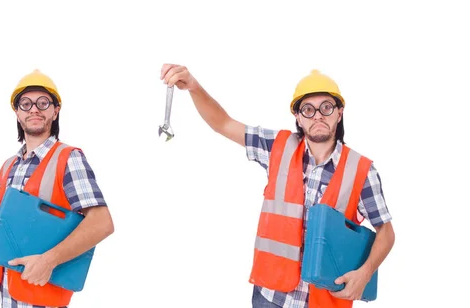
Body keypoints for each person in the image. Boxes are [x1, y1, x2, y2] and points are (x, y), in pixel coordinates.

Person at [159, 64, 395, 308]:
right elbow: (223, 123)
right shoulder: (277, 148)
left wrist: (366, 272)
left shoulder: (362, 171)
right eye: (308, 109)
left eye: (326, 107)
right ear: (298, 117)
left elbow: (386, 232)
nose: (317, 116)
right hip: (270, 299)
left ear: (339, 112)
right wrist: (194, 87)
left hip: (324, 301)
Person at [0, 69, 114, 308]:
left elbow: (102, 223)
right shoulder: (10, 165)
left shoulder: (68, 158)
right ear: (17, 113)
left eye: (43, 103)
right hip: (8, 294)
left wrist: (49, 260)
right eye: (25, 104)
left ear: (55, 111)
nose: (34, 108)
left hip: (42, 296)